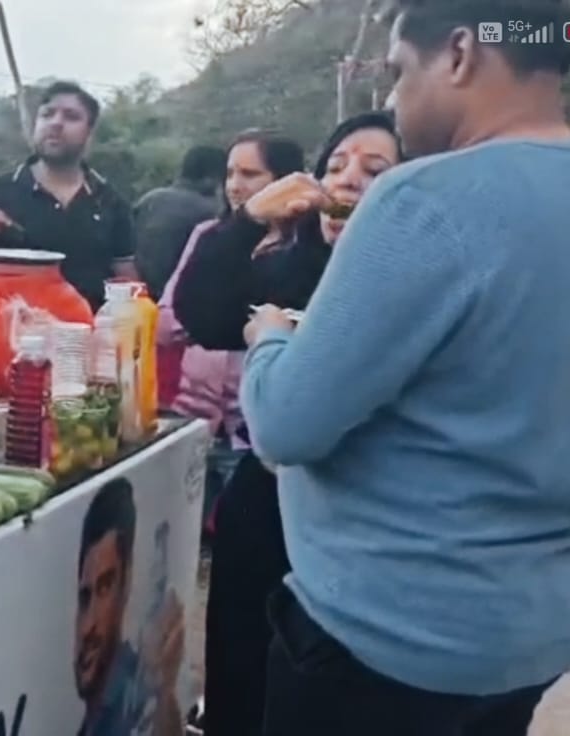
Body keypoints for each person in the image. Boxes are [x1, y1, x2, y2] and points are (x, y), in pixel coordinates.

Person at [239, 1, 570, 734]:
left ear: (459, 54)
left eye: (397, 72)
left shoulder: (426, 201)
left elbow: (287, 425)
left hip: (384, 638)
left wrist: (270, 339)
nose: (391, 100)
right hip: (529, 639)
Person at [173, 112, 402, 736]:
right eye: (335, 166)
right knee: (240, 678)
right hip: (266, 505)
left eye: (375, 171)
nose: (346, 181)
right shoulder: (288, 269)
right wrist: (249, 219)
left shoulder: (418, 289)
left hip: (355, 527)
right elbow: (202, 313)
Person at [155, 130, 305, 535]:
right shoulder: (210, 237)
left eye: (250, 174)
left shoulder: (303, 249)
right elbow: (168, 319)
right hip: (193, 416)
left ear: (285, 179)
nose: (235, 185)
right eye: (230, 173)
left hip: (251, 428)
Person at [0, 81, 139, 311]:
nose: (56, 123)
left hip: (87, 330)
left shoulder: (110, 203)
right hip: (10, 329)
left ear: (89, 132)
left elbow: (128, 284)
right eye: (47, 114)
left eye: (71, 117)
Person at [74, 478, 183, 736]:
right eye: (85, 598)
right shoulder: (94, 716)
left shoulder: (138, 691)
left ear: (126, 584)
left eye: (104, 589)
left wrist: (164, 693)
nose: (88, 626)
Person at [132, 144, 223, 296]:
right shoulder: (212, 211)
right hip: (180, 298)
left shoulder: (149, 200)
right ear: (213, 178)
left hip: (139, 295)